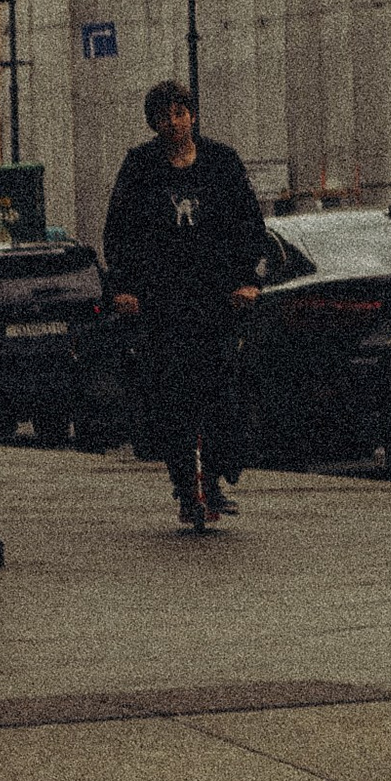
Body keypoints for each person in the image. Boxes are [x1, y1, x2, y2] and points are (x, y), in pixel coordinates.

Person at [104, 81, 266, 534]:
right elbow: (118, 231)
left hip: (215, 300)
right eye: (163, 116)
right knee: (173, 397)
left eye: (180, 112)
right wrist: (123, 287)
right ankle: (184, 486)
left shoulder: (222, 163)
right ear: (153, 123)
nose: (173, 122)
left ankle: (213, 479)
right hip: (162, 303)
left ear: (192, 115)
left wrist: (249, 281)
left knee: (220, 393)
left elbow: (251, 226)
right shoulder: (140, 167)